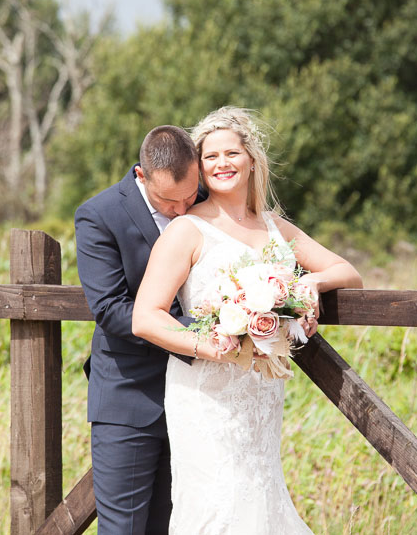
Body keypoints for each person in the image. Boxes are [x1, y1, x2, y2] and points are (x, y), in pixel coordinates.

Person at [132, 107, 363, 533]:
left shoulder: (275, 228)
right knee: (217, 509)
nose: (222, 164)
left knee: (260, 500)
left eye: (231, 153)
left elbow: (349, 272)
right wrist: (211, 346)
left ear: (251, 159)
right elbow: (145, 318)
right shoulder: (186, 230)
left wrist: (308, 284)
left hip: (260, 394)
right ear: (198, 168)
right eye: (210, 157)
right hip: (204, 396)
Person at [74, 125, 203, 534]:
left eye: (190, 196)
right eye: (170, 200)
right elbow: (111, 309)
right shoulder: (100, 215)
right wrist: (205, 334)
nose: (183, 209)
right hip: (129, 397)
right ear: (141, 175)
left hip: (201, 398)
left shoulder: (205, 201)